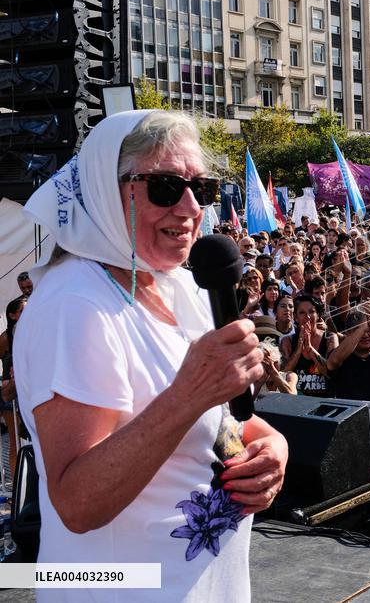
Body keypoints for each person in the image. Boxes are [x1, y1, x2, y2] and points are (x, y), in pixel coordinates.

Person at [13, 110, 286, 600]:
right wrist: (190, 393)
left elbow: (218, 419)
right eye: (164, 187)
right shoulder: (76, 304)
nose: (190, 207)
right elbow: (77, 502)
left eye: (201, 188)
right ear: (106, 190)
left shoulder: (178, 287)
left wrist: (272, 447)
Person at [279, 294, 337, 397]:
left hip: (325, 400)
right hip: (297, 401)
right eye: (302, 313)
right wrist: (299, 348)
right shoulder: (287, 341)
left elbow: (330, 372)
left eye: (312, 311)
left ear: (318, 315)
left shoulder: (330, 338)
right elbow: (283, 373)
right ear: (296, 317)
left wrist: (309, 348)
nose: (307, 316)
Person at [0, 295, 27, 478]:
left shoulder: (31, 330)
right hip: (11, 394)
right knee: (14, 440)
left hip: (25, 394)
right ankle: (17, 484)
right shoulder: (6, 337)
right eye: (22, 311)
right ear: (12, 315)